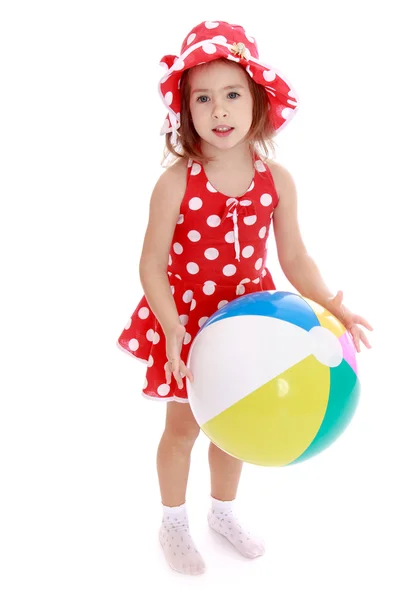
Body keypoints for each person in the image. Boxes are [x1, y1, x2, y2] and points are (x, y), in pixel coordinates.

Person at [117, 20, 373, 575]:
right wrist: (171, 326)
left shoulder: (276, 179)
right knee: (183, 428)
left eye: (233, 94)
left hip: (252, 323)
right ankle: (172, 522)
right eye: (203, 98)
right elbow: (150, 265)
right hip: (187, 321)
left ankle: (223, 512)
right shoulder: (177, 182)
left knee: (234, 426)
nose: (220, 110)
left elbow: (295, 259)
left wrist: (333, 304)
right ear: (186, 111)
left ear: (258, 100)